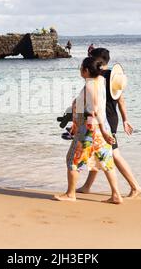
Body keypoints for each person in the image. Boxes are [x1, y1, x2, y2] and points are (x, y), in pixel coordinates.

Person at [54, 57, 123, 204]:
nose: (79, 70)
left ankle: (70, 194)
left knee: (73, 159)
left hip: (91, 128)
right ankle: (116, 195)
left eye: (81, 68)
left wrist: (103, 132)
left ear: (86, 71)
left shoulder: (91, 84)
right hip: (99, 126)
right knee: (106, 160)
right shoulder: (100, 81)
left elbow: (95, 109)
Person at [77, 48, 141, 198]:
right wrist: (125, 119)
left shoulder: (97, 76)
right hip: (111, 117)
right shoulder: (114, 76)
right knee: (98, 152)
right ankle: (87, 186)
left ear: (97, 60)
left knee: (113, 154)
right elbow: (121, 99)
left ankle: (135, 186)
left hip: (103, 119)